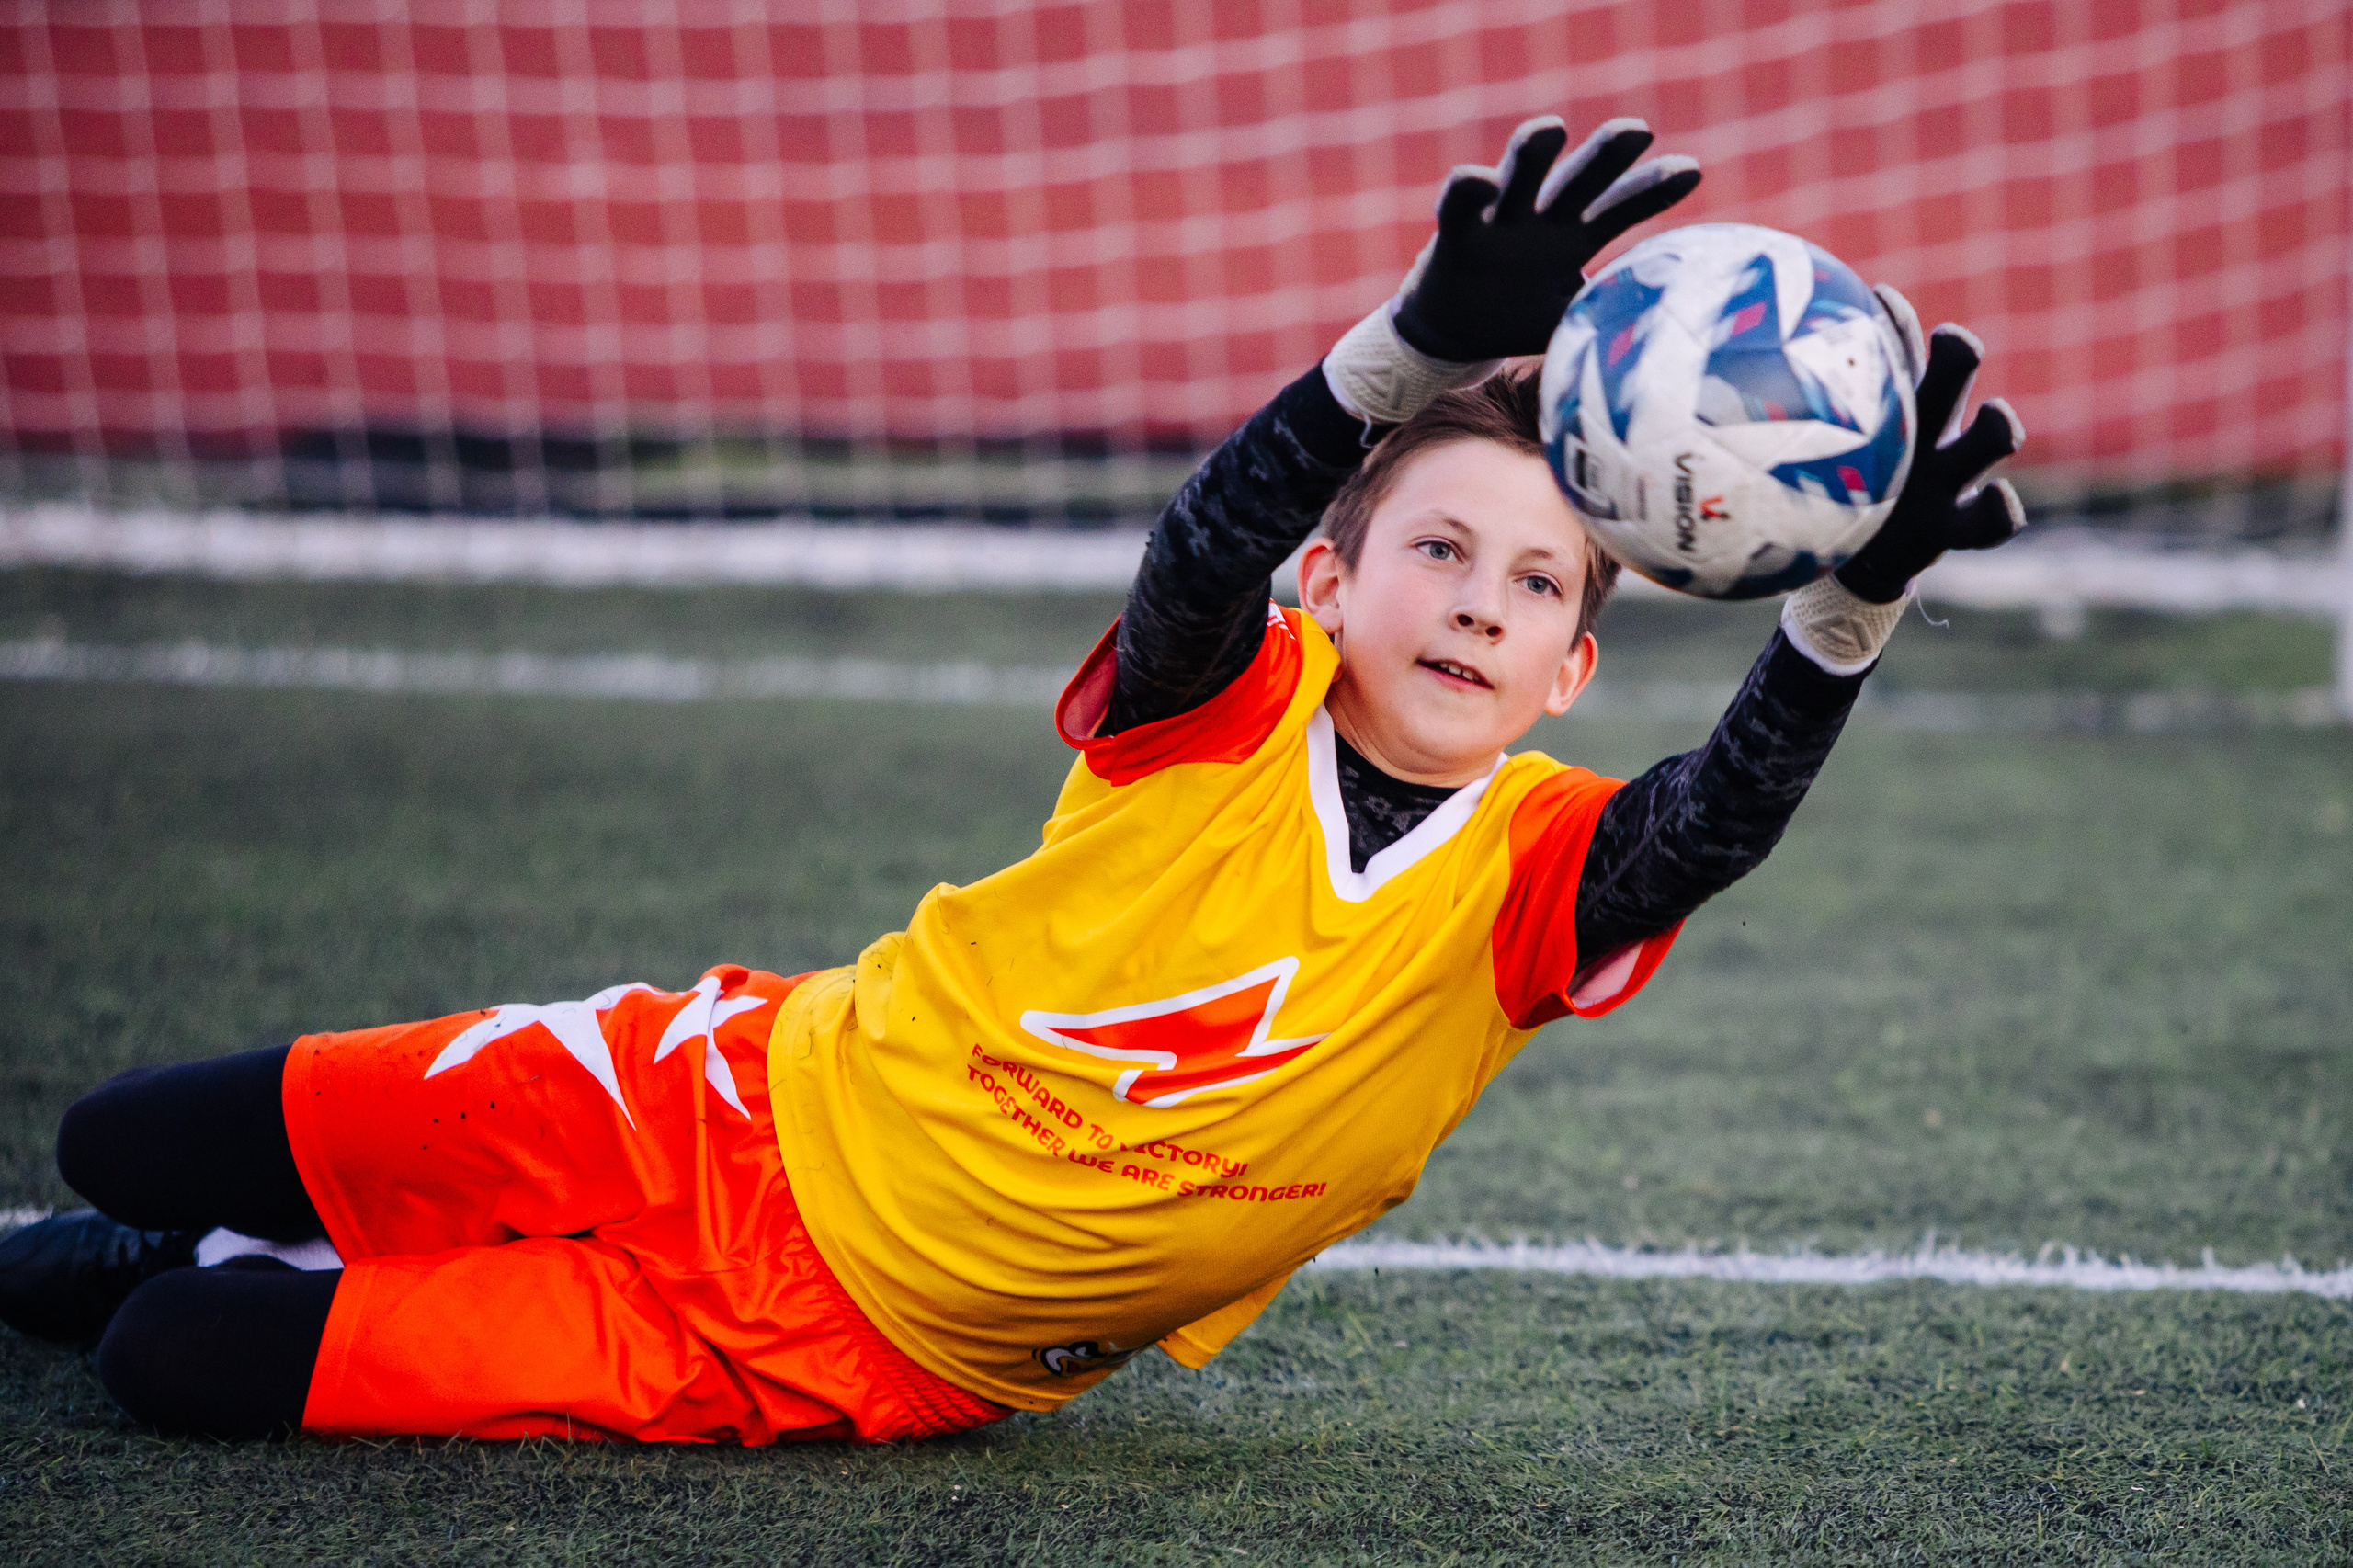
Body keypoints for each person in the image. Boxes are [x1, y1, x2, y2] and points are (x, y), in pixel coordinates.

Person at [0, 116, 2024, 1443]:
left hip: (850, 1352)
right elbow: (1191, 557)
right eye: (1433, 550)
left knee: (182, 1366)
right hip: (731, 1099)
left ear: (1574, 663)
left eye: (1533, 582)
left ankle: (236, 1280)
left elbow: (1717, 818)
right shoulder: (1226, 711)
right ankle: (211, 1228)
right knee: (120, 1143)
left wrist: (1843, 608)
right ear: (1330, 589)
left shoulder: (1532, 877)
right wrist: (1393, 357)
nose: (1478, 605)